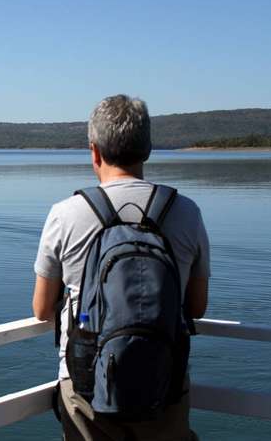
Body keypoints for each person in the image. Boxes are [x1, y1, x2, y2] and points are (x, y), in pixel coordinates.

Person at [32, 95, 210, 441]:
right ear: (148, 150)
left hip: (85, 385)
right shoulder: (186, 212)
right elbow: (197, 307)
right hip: (164, 378)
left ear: (94, 151)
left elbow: (41, 309)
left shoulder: (65, 214)